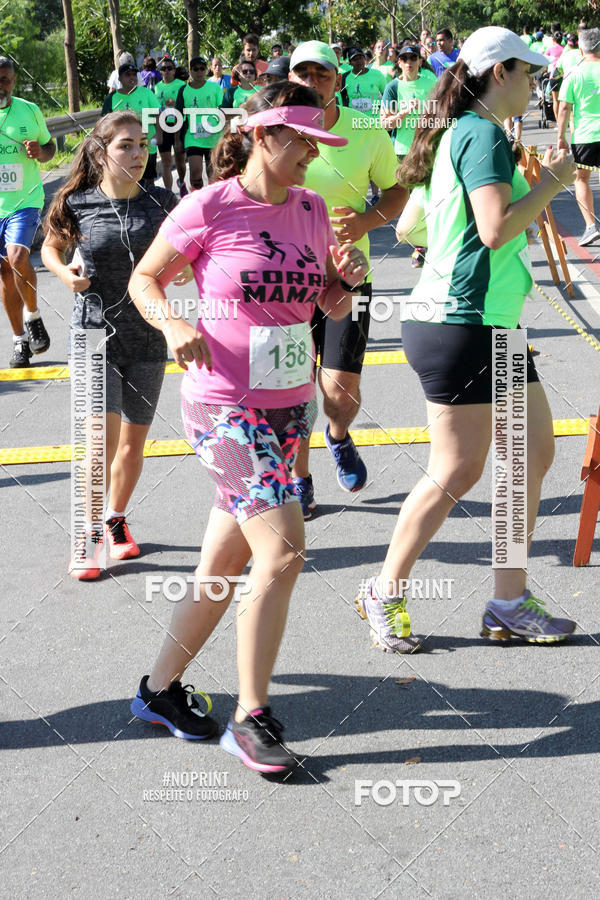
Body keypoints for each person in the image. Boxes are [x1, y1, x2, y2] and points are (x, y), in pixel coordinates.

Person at [127, 82, 367, 772]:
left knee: (223, 565)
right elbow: (146, 280)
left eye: (320, 143)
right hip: (223, 406)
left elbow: (323, 301)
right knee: (285, 551)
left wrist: (342, 283)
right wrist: (174, 320)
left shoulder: (314, 208)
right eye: (303, 141)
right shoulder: (210, 206)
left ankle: (158, 691)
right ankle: (250, 717)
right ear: (263, 136)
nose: (313, 156)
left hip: (287, 408)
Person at [355, 26, 577, 653]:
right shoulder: (479, 134)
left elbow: (409, 225)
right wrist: (556, 178)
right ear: (497, 73)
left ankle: (507, 600)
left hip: (485, 321)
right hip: (459, 322)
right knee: (457, 468)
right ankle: (384, 590)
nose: (535, 85)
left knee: (531, 453)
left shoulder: (458, 132)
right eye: (528, 73)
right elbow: (495, 229)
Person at [41, 111, 179, 579]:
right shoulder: (77, 203)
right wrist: (64, 274)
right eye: (126, 145)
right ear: (102, 152)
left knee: (132, 446)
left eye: (143, 145)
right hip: (94, 334)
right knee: (101, 440)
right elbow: (50, 247)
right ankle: (87, 533)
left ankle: (114, 517)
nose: (138, 154)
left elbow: (186, 254)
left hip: (147, 337)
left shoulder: (162, 202)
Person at [288, 41, 407, 516]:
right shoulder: (279, 132)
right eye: (304, 75)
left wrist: (364, 224)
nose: (313, 83)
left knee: (338, 393)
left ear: (338, 81)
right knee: (296, 389)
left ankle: (338, 436)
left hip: (348, 277)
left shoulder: (365, 130)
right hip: (286, 283)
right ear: (291, 80)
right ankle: (299, 479)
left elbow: (398, 191)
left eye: (322, 75)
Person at [0, 56, 54, 368]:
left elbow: (50, 149)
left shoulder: (29, 110)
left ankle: (33, 316)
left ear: (14, 81)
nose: (1, 86)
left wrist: (40, 152)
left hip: (25, 200)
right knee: (5, 272)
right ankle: (20, 342)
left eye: (6, 79)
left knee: (19, 256)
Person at [381, 44, 436, 268]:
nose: (409, 62)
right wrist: (403, 111)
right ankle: (420, 245)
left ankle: (430, 245)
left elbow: (444, 113)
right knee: (413, 201)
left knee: (432, 197)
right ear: (399, 63)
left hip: (430, 147)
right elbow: (384, 123)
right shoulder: (393, 87)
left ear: (420, 61)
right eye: (404, 58)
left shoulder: (431, 83)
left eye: (413, 57)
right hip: (404, 151)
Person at [558, 27, 600, 245]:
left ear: (581, 50)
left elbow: (564, 108)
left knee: (581, 179)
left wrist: (560, 136)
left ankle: (591, 226)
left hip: (584, 135)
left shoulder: (574, 73)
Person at [102, 63, 162, 183]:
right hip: (124, 147)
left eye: (134, 74)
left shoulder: (146, 93)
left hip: (147, 143)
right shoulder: (111, 98)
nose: (132, 77)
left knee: (148, 179)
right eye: (127, 75)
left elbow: (158, 114)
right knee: (127, 179)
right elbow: (104, 123)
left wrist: (159, 134)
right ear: (119, 79)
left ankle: (149, 201)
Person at [174, 56, 223, 191]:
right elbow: (179, 116)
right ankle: (198, 202)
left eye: (202, 68)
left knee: (213, 175)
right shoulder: (183, 90)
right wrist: (177, 140)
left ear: (206, 70)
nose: (199, 72)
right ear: (191, 71)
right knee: (195, 175)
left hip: (213, 137)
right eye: (196, 69)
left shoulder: (214, 88)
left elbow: (223, 112)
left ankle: (214, 203)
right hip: (193, 138)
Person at [154, 56, 187, 195]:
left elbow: (187, 104)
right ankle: (168, 194)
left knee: (179, 159)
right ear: (160, 71)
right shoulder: (157, 87)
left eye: (169, 68)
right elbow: (156, 108)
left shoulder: (181, 85)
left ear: (174, 71)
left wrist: (175, 103)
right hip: (163, 125)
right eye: (163, 68)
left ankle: (181, 182)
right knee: (166, 161)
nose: (166, 71)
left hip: (179, 124)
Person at [341, 46, 386, 118]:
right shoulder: (345, 77)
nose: (359, 61)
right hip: (353, 122)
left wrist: (382, 110)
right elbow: (342, 97)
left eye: (361, 58)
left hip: (374, 121)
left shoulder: (377, 74)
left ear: (365, 58)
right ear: (350, 63)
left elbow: (386, 95)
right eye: (355, 59)